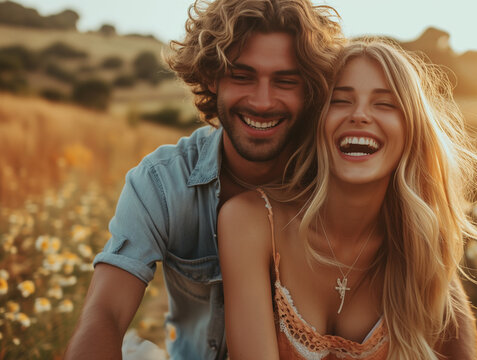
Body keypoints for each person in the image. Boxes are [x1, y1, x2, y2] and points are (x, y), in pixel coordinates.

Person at [64, 0, 343, 359]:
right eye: (242, 76)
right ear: (212, 77)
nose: (262, 101)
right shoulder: (163, 182)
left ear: (310, 89)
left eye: (285, 81)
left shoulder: (339, 183)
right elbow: (105, 312)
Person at [218, 39, 477, 360]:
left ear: (412, 131)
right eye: (340, 101)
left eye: (385, 104)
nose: (360, 115)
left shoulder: (422, 246)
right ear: (318, 122)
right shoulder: (250, 221)